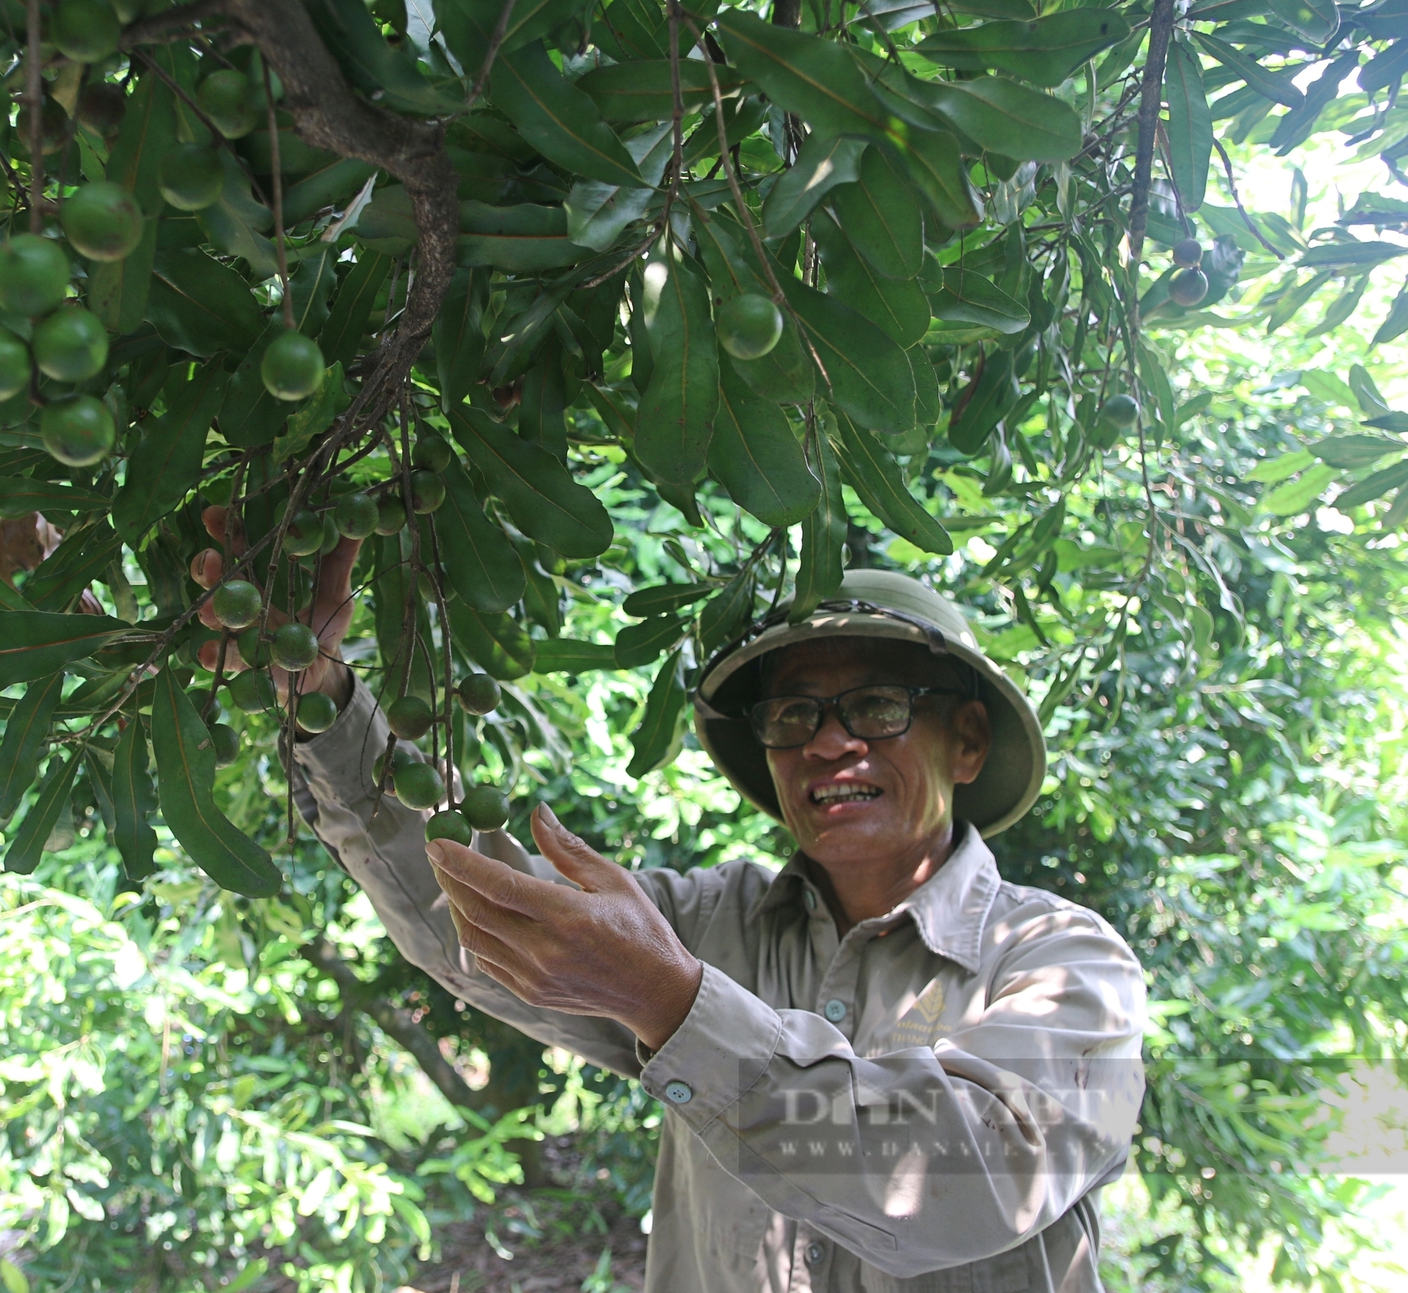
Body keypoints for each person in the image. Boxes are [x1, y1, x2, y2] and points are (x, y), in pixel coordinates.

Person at [202, 543, 1147, 1293]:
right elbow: (487, 910)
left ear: (968, 741)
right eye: (792, 716)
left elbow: (967, 1182)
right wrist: (318, 692)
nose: (828, 741)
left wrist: (674, 1002)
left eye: (876, 705)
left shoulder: (1067, 964)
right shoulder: (708, 922)